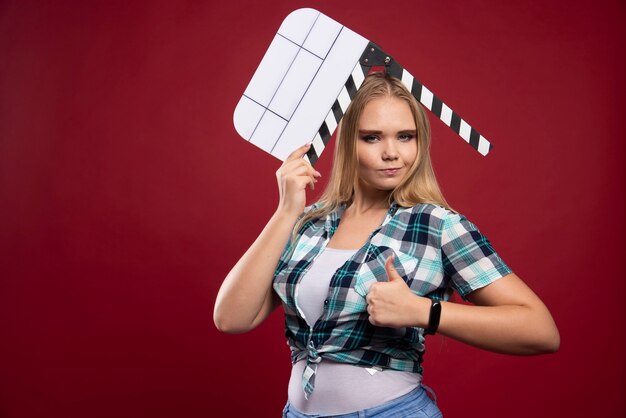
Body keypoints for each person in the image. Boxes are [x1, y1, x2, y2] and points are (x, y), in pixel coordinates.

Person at [214, 72, 560, 417]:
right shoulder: (307, 224)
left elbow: (540, 331)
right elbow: (231, 318)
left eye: (405, 136)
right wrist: (286, 211)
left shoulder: (436, 224)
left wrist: (423, 312)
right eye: (372, 137)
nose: (392, 153)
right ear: (349, 142)